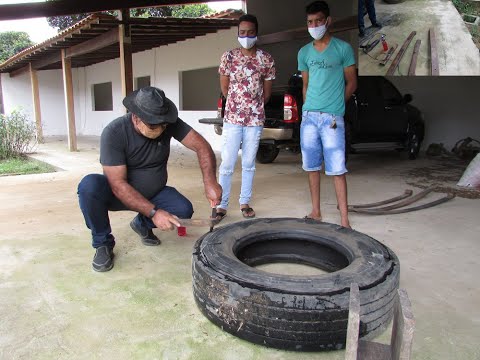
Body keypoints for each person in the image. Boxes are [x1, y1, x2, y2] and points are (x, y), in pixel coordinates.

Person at [77, 87, 222, 272]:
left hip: (154, 192)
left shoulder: (168, 123)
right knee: (89, 186)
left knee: (182, 210)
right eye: (154, 125)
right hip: (117, 195)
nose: (161, 130)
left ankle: (141, 224)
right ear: (136, 118)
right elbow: (118, 185)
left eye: (164, 125)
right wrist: (155, 213)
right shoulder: (114, 133)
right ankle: (102, 243)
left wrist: (210, 181)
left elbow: (202, 146)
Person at [297, 1, 357, 228]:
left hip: (332, 118)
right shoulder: (304, 52)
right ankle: (316, 211)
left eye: (318, 21)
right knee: (311, 167)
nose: (314, 25)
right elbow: (305, 84)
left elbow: (352, 82)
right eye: (310, 22)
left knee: (337, 168)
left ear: (328, 21)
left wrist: (337, 105)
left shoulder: (343, 49)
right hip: (309, 118)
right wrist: (306, 108)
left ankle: (344, 219)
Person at [216, 13, 276, 220]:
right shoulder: (228, 57)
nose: (246, 36)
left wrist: (253, 107)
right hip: (232, 119)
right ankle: (221, 205)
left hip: (255, 120)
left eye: (250, 32)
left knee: (249, 163)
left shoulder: (266, 59)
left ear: (256, 33)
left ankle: (244, 202)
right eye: (242, 32)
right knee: (227, 163)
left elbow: (267, 92)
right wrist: (238, 106)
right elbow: (225, 88)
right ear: (238, 34)